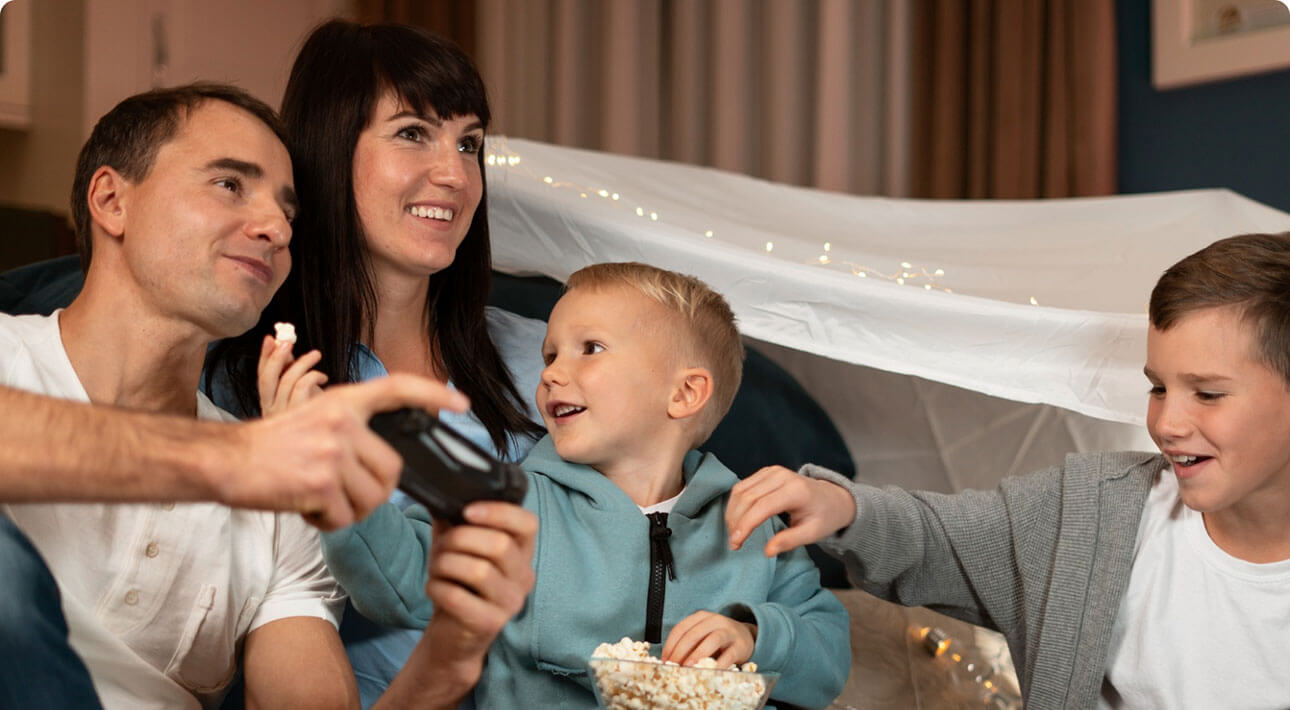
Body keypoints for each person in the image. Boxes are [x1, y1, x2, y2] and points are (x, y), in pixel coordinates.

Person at [0, 82, 525, 710]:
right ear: (112, 201)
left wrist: (447, 658)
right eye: (230, 185)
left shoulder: (282, 506)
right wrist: (236, 459)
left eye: (289, 214)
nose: (276, 229)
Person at [725, 232, 1290, 709]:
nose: (1167, 423)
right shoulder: (1091, 513)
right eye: (1158, 388)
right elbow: (937, 538)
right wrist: (843, 507)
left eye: (1208, 394)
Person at [203, 19, 547, 705]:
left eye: (469, 143)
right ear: (330, 149)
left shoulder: (547, 354)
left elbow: (670, 513)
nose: (455, 175)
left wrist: (803, 506)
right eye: (413, 132)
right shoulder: (244, 378)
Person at [324, 262, 851, 709]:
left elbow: (827, 656)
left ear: (685, 394)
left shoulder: (755, 525)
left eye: (590, 349)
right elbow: (400, 581)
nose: (551, 373)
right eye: (550, 355)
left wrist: (754, 636)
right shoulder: (512, 506)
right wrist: (346, 487)